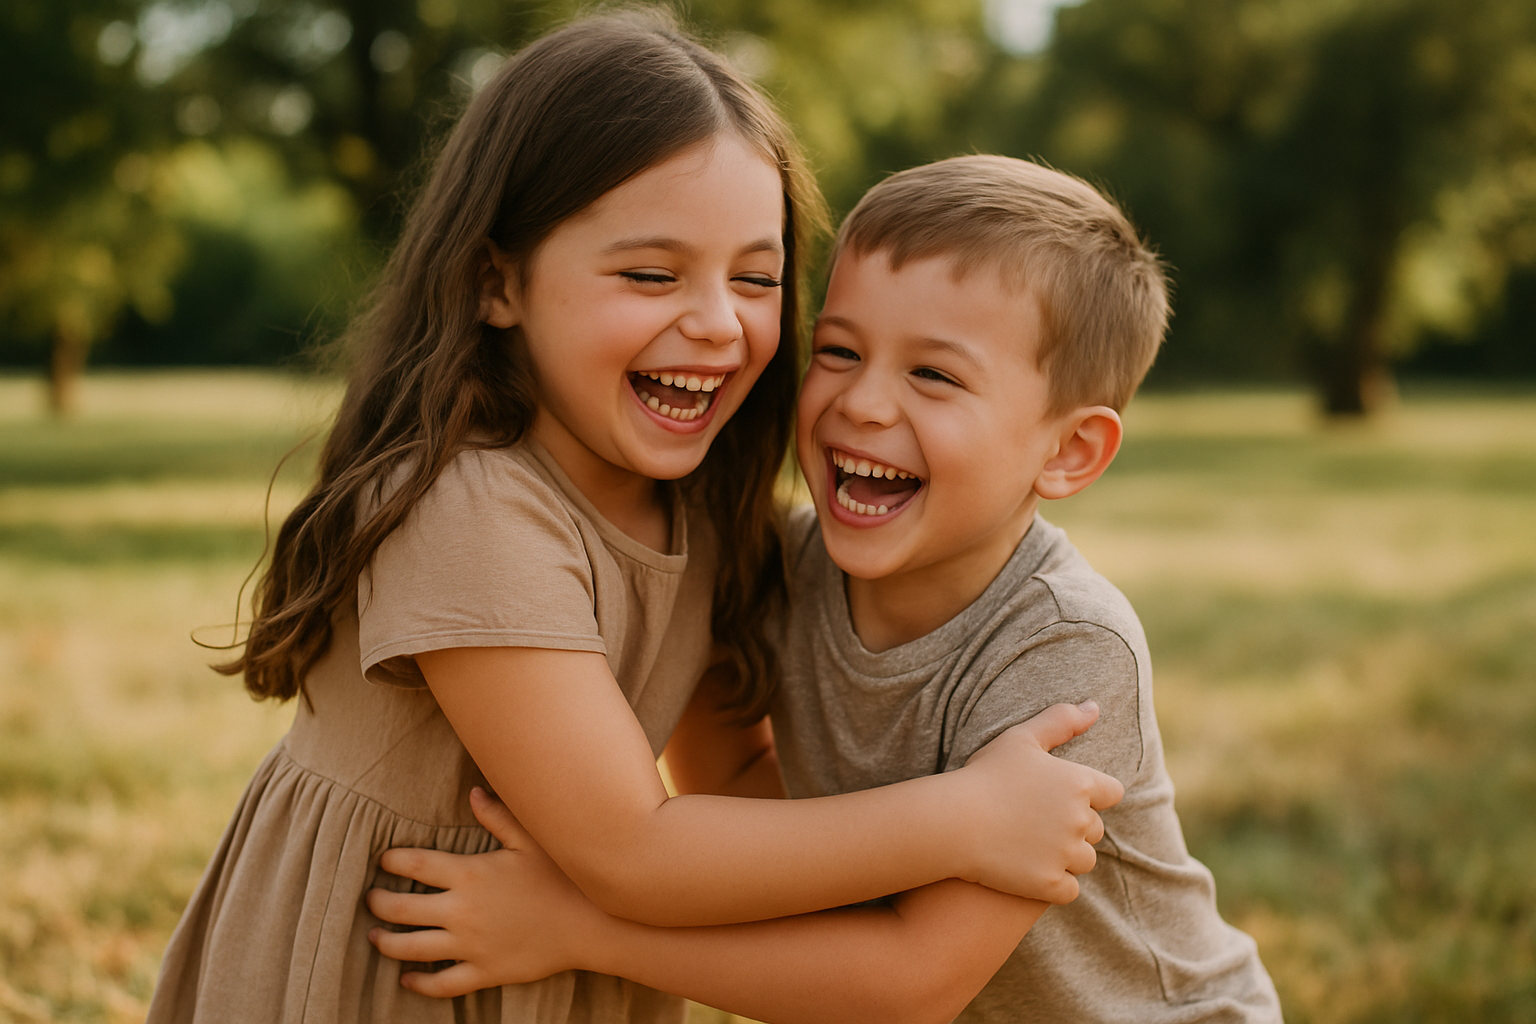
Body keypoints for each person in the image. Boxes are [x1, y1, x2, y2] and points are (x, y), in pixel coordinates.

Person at [146, 17, 1125, 1024]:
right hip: (393, 962)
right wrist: (960, 818)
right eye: (653, 274)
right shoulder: (470, 511)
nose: (717, 321)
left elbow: (730, 780)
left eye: (755, 278)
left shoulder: (697, 509)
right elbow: (632, 850)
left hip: (551, 957)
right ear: (497, 281)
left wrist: (934, 867)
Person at [366, 156, 1284, 1023]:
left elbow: (911, 987)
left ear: (1068, 451)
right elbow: (734, 784)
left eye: (933, 373)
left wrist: (580, 930)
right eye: (840, 352)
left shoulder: (1069, 653)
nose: (864, 403)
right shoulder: (777, 570)